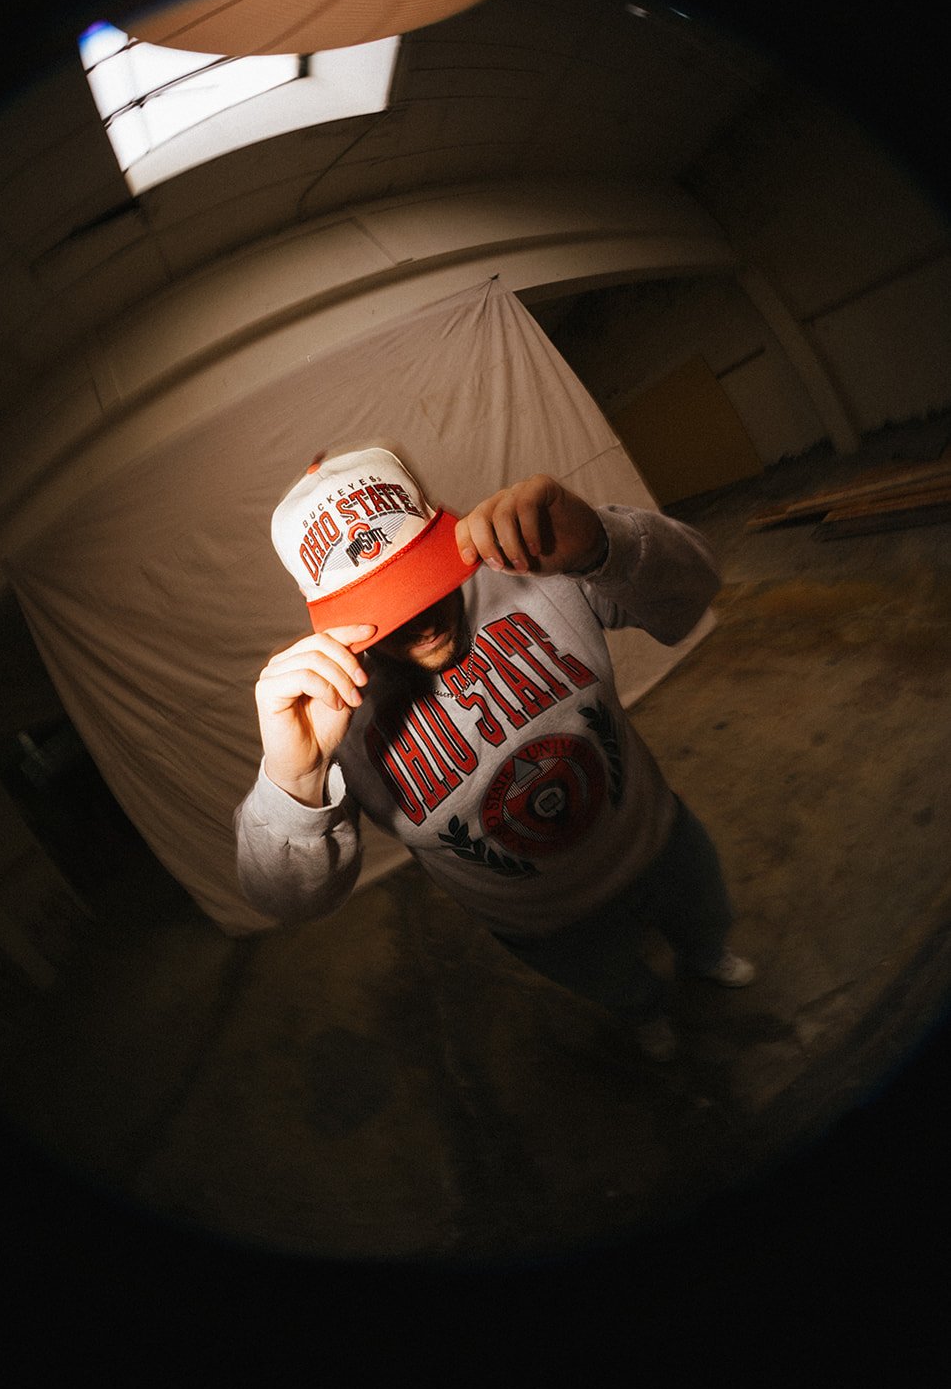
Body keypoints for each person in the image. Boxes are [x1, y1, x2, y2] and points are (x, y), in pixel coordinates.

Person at [235, 446, 754, 1061]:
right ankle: (644, 1012)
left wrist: (603, 543)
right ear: (332, 617)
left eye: (421, 579)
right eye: (385, 608)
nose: (423, 621)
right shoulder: (329, 708)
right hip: (543, 925)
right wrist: (295, 779)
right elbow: (293, 901)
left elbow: (694, 593)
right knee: (613, 985)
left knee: (703, 914)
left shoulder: (529, 571)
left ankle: (706, 955)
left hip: (657, 839)